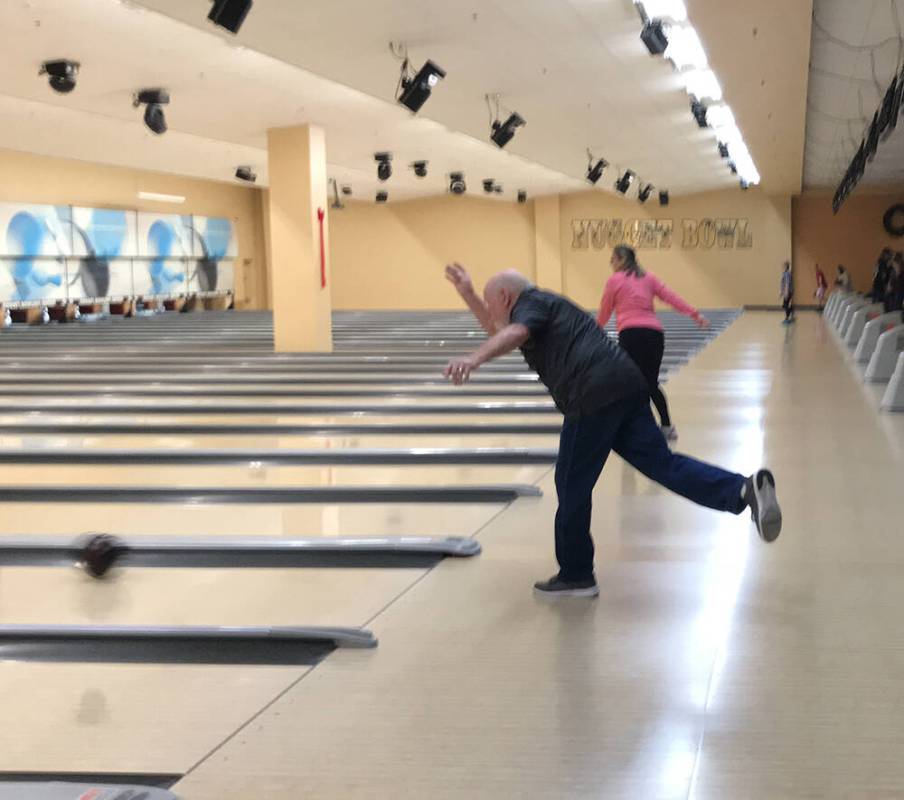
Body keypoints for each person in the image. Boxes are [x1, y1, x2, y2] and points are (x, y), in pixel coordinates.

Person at [443, 263, 783, 597]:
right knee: (663, 465)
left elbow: (513, 333)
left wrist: (473, 359)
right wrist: (470, 294)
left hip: (592, 393)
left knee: (571, 482)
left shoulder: (531, 303)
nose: (489, 311)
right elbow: (498, 330)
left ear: (505, 296)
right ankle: (742, 490)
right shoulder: (541, 305)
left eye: (489, 303)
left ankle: (576, 575)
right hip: (626, 383)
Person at [595, 245, 708, 444]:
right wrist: (694, 314)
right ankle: (666, 426)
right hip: (654, 335)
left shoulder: (614, 281)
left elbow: (605, 310)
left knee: (630, 383)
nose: (610, 262)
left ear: (622, 259)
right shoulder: (649, 277)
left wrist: (594, 331)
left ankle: (634, 427)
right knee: (650, 382)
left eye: (612, 258)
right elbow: (672, 297)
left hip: (631, 335)